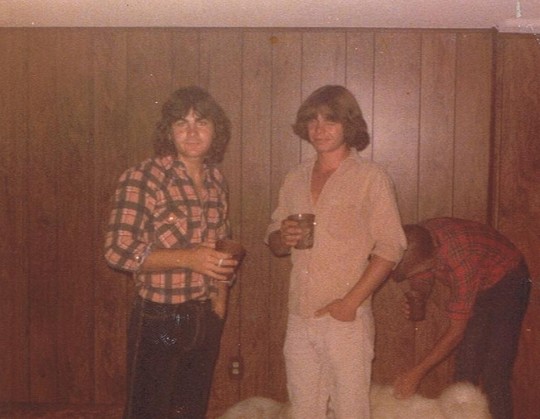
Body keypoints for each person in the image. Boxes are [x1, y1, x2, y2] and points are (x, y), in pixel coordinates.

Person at [266, 85, 406, 418]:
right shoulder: (295, 177)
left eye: (330, 120)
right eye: (312, 120)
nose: (320, 129)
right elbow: (273, 238)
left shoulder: (371, 178)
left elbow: (391, 247)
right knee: (303, 410)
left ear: (348, 124)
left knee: (350, 411)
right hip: (300, 315)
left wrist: (350, 303)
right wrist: (282, 236)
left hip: (346, 318)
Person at [104, 86, 238, 419]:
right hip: (158, 318)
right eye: (182, 123)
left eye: (201, 122)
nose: (192, 132)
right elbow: (117, 250)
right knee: (147, 413)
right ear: (169, 131)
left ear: (216, 130)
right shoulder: (144, 177)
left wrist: (219, 306)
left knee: (190, 411)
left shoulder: (216, 181)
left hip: (204, 316)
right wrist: (189, 258)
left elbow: (222, 244)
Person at [391, 217, 531, 419]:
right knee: (465, 368)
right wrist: (419, 295)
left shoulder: (461, 260)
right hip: (479, 280)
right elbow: (421, 275)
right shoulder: (418, 239)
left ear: (433, 258)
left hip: (509, 279)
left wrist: (417, 373)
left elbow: (456, 332)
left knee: (495, 371)